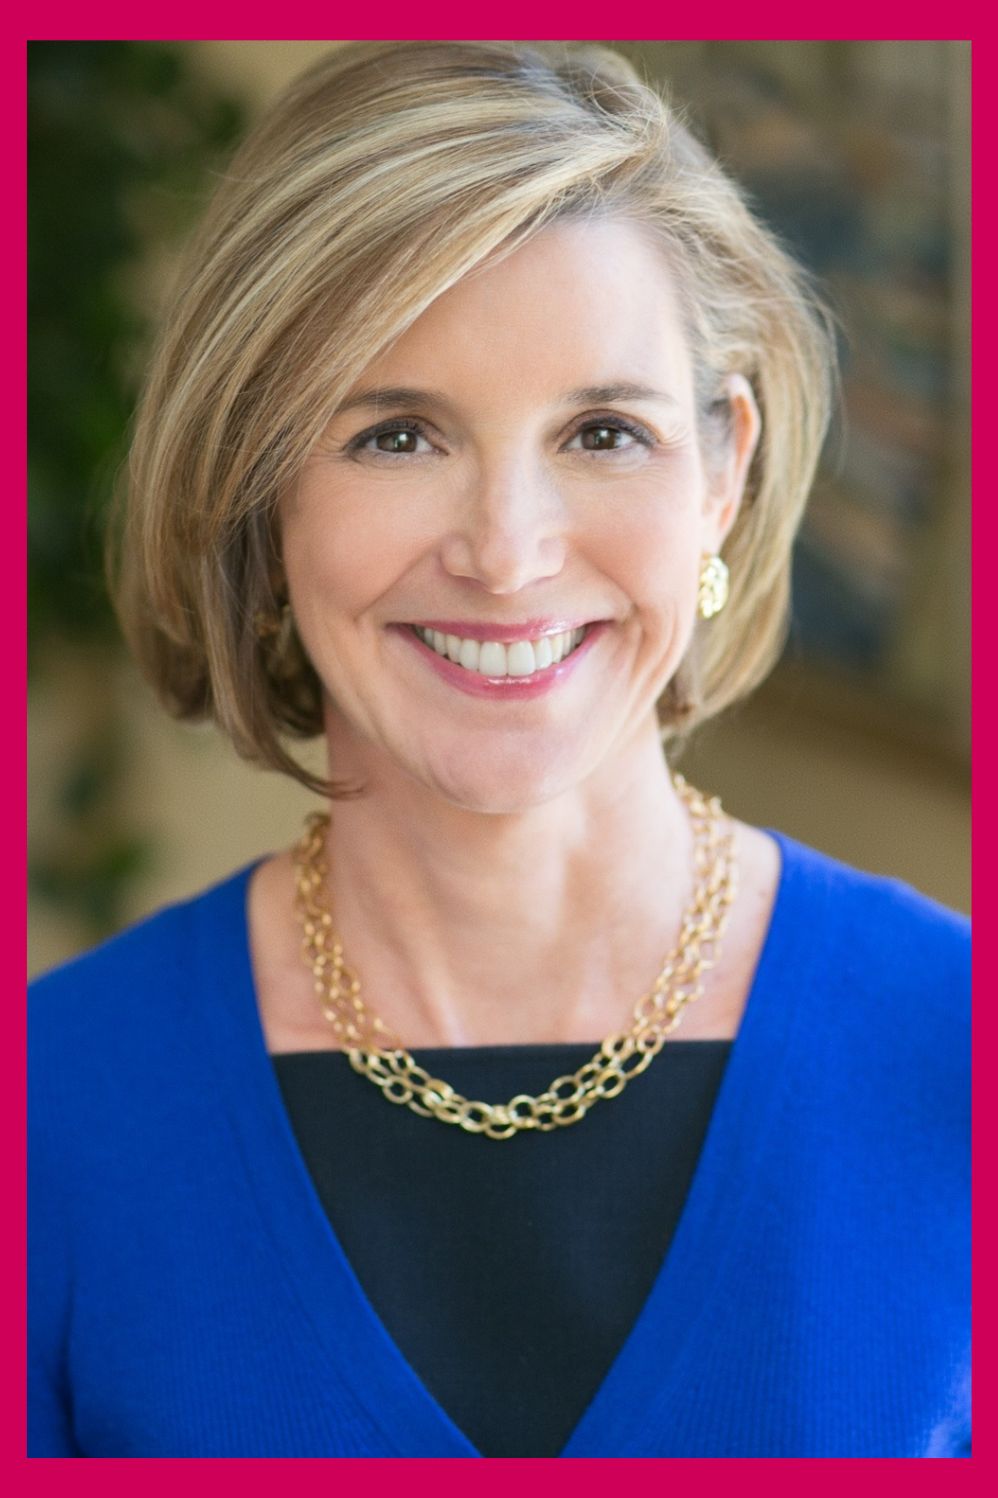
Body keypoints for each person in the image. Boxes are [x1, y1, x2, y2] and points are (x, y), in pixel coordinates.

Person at [28, 41, 970, 1459]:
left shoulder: (959, 1049)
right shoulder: (53, 1113)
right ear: (260, 485)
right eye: (397, 435)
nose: (507, 555)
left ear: (721, 468)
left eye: (603, 430)